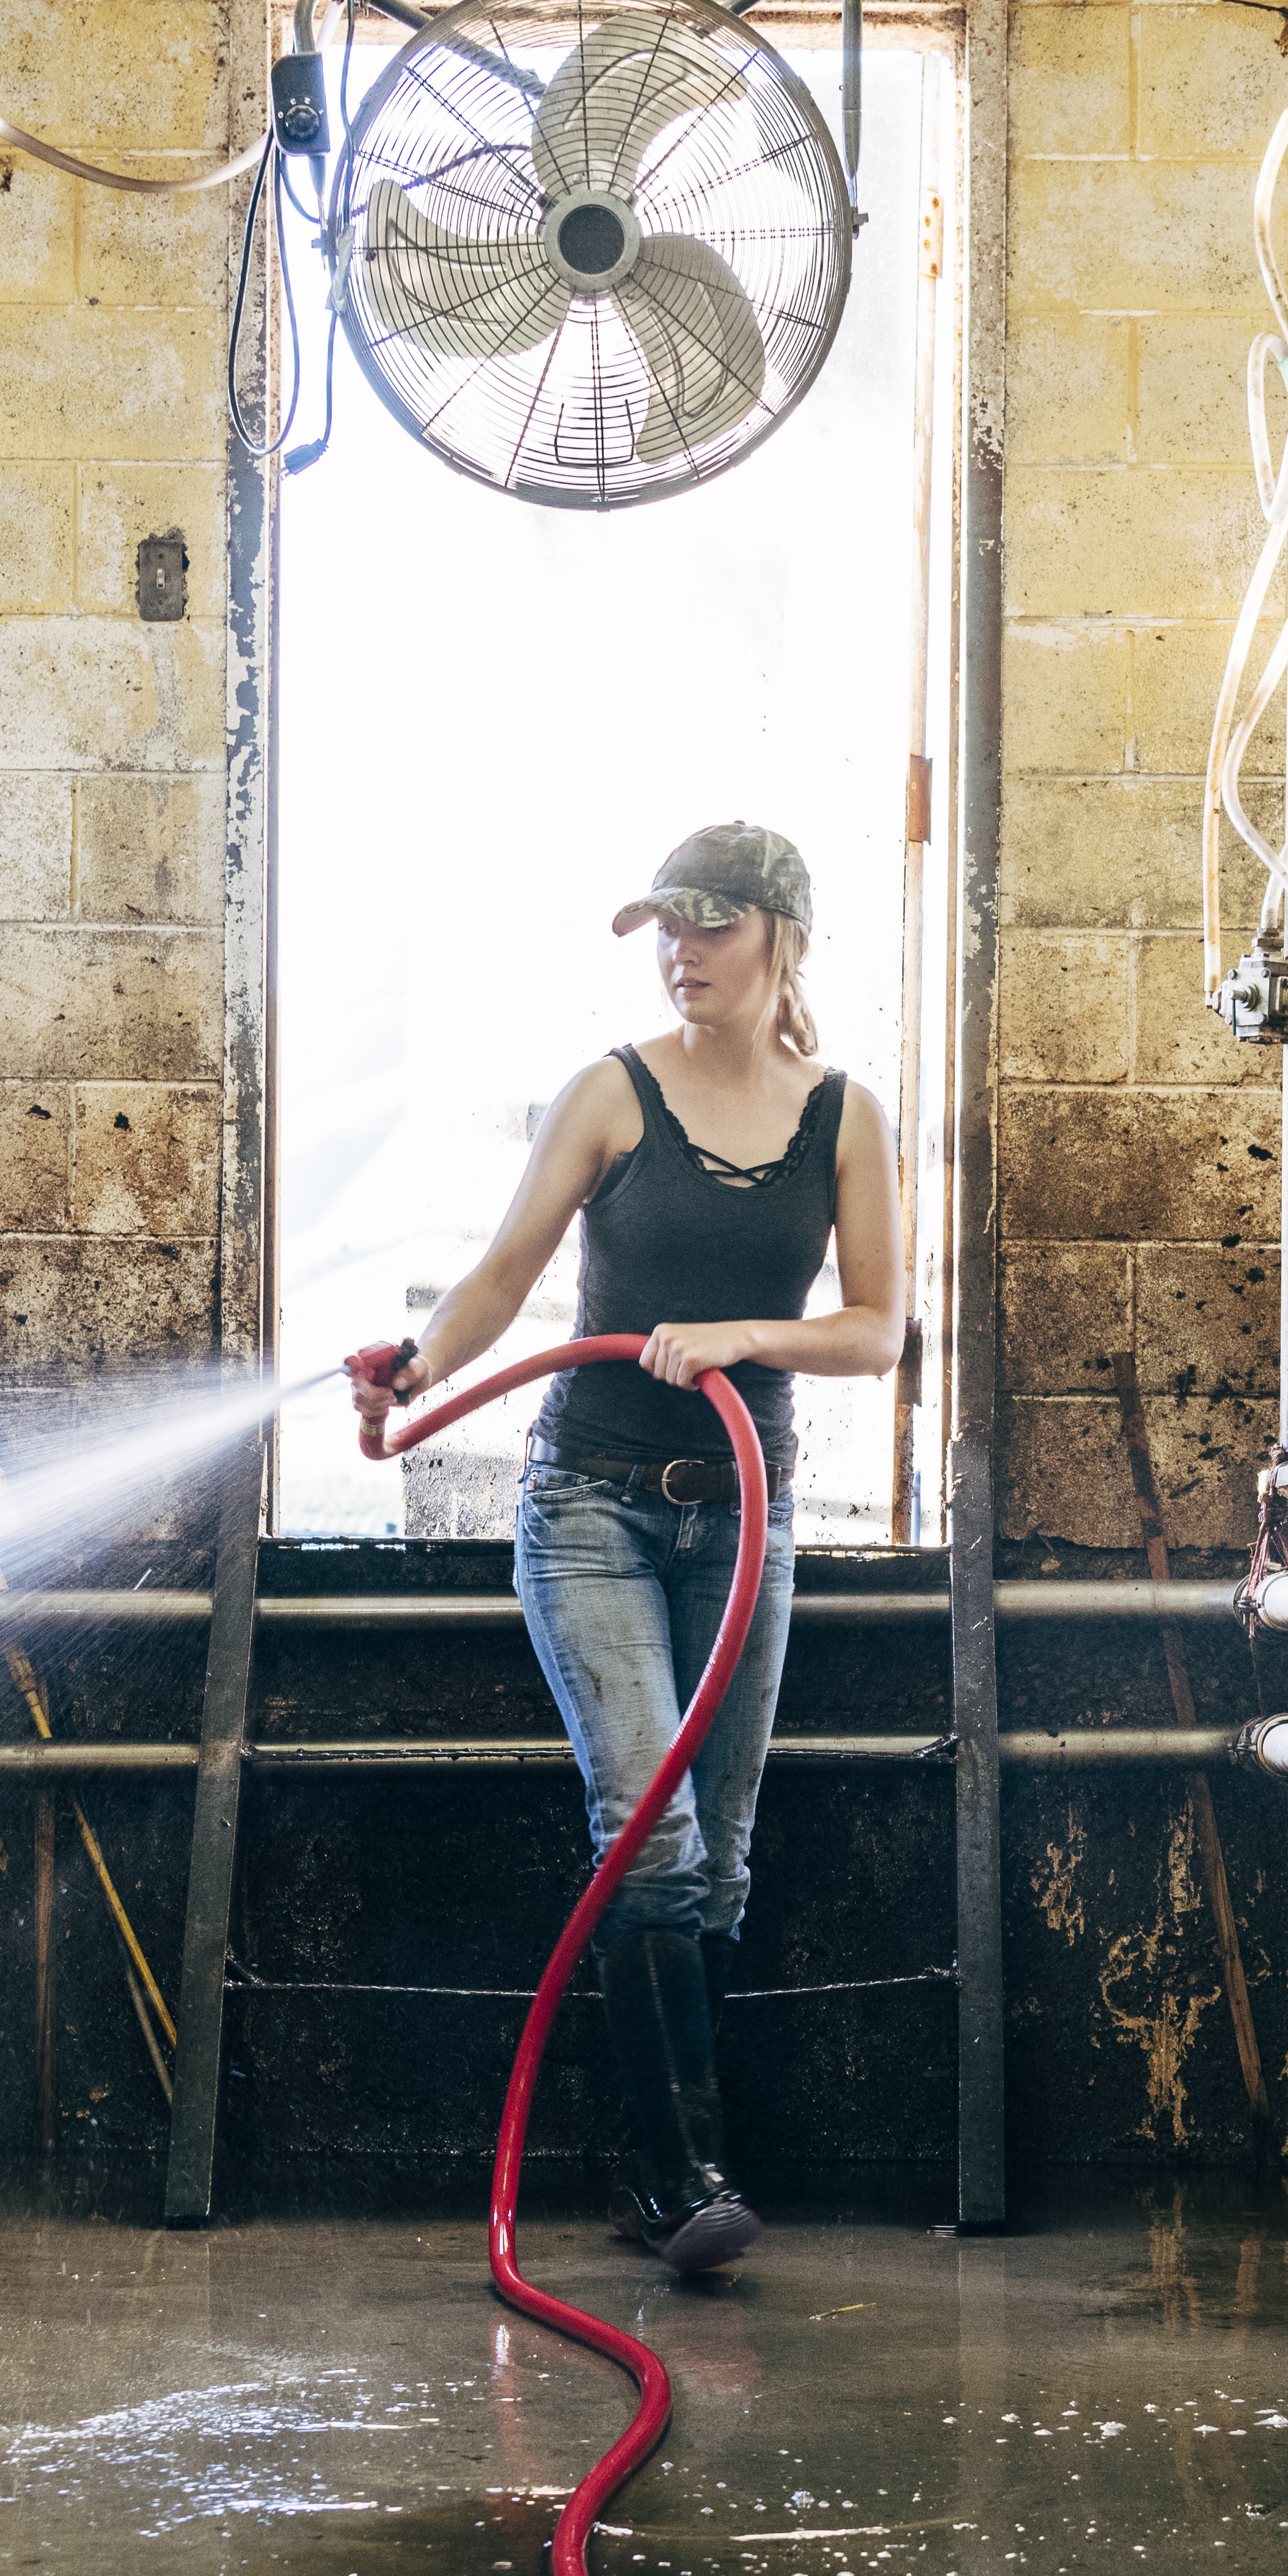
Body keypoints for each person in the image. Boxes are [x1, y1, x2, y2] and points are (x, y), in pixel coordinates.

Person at [347, 824, 899, 2276]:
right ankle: (679, 2178)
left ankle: (648, 2161)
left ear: (782, 933)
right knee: (648, 1825)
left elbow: (876, 1331)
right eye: (668, 925)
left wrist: (742, 1338)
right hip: (589, 1503)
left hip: (743, 1512)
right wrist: (410, 1367)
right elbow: (500, 1278)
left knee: (713, 1862)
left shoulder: (843, 1117)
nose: (683, 948)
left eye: (713, 924)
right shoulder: (612, 1090)